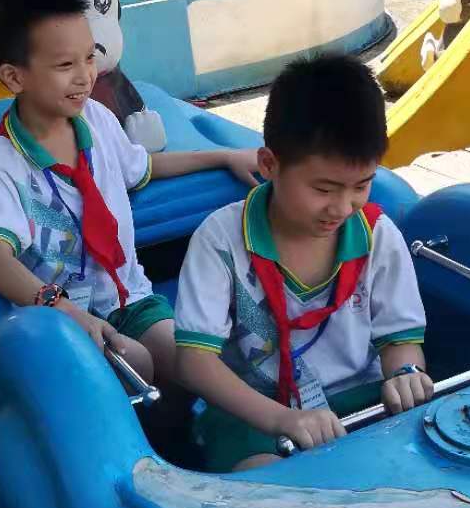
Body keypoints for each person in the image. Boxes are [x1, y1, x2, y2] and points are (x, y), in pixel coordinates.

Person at [0, 0, 259, 387]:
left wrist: (224, 156)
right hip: (62, 319)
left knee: (195, 362)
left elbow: (142, 167)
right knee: (137, 362)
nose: (85, 76)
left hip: (129, 297)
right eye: (65, 66)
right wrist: (62, 308)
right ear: (14, 77)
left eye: (89, 57)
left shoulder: (97, 119)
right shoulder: (3, 164)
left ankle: (180, 421)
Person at [174, 53, 433, 470]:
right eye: (324, 189)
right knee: (269, 485)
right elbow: (194, 363)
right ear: (269, 165)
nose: (342, 207)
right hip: (255, 411)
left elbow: (399, 339)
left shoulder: (377, 234)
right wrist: (284, 419)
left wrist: (405, 374)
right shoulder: (219, 239)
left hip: (360, 398)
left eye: (361, 186)